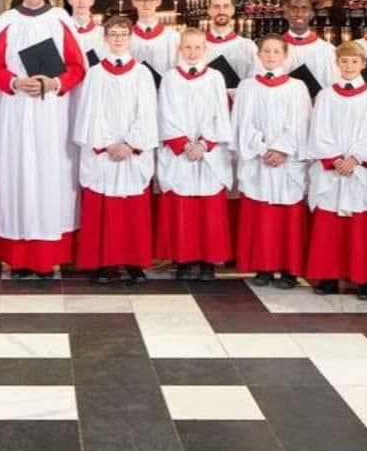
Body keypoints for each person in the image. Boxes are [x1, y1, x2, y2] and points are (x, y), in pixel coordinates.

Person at [0, 0, 86, 278]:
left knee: (50, 175)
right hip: (15, 113)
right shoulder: (7, 22)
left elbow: (77, 66)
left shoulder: (60, 21)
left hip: (52, 114)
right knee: (16, 176)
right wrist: (14, 82)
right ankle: (18, 257)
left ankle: (47, 256)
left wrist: (55, 83)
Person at [74, 15, 158, 284]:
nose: (118, 38)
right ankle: (103, 263)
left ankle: (135, 262)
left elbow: (147, 112)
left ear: (130, 37)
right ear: (105, 38)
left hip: (131, 152)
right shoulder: (95, 74)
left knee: (133, 209)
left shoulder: (142, 73)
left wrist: (131, 144)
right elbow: (90, 114)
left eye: (123, 33)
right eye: (113, 33)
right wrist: (109, 143)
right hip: (105, 152)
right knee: (103, 207)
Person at [304, 41, 367, 300]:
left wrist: (356, 158)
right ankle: (329, 276)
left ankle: (364, 279)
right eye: (344, 61)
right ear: (337, 64)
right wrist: (335, 159)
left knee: (362, 226)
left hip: (361, 169)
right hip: (333, 169)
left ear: (363, 64)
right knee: (330, 227)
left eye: (354, 61)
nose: (349, 66)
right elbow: (319, 130)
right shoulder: (327, 95)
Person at [232, 34, 311, 288]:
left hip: (286, 162)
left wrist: (281, 149)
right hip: (259, 159)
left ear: (285, 56)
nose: (270, 56)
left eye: (276, 51)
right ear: (258, 55)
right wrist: (261, 147)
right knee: (260, 215)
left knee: (287, 216)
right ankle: (263, 267)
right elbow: (242, 122)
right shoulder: (247, 86)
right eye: (266, 51)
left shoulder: (297, 87)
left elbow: (300, 123)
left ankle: (289, 269)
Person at [154, 28, 233, 281]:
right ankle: (184, 260)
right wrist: (185, 144)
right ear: (180, 49)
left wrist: (204, 144)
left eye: (197, 47)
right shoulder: (170, 78)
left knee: (209, 210)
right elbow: (164, 113)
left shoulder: (215, 77)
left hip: (208, 153)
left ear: (205, 49)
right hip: (182, 152)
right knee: (182, 208)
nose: (192, 52)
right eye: (187, 47)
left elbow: (221, 113)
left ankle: (209, 262)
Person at [281, 0, 337, 97]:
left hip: (316, 107)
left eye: (304, 9)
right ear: (286, 13)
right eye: (294, 9)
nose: (299, 14)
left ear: (311, 15)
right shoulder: (275, 49)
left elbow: (334, 84)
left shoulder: (327, 50)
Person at [203, 0, 257, 90]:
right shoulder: (197, 46)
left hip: (237, 102)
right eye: (216, 7)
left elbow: (255, 82)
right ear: (209, 11)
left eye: (226, 6)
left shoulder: (247, 46)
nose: (221, 11)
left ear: (233, 10)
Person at [129, 0, 179, 77]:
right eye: (141, 0)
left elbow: (177, 70)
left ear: (159, 2)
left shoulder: (172, 36)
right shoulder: (126, 37)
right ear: (134, 2)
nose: (146, 4)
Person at [67, 0, 105, 67]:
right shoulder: (62, 30)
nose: (81, 2)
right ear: (69, 0)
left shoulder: (101, 32)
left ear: (92, 1)